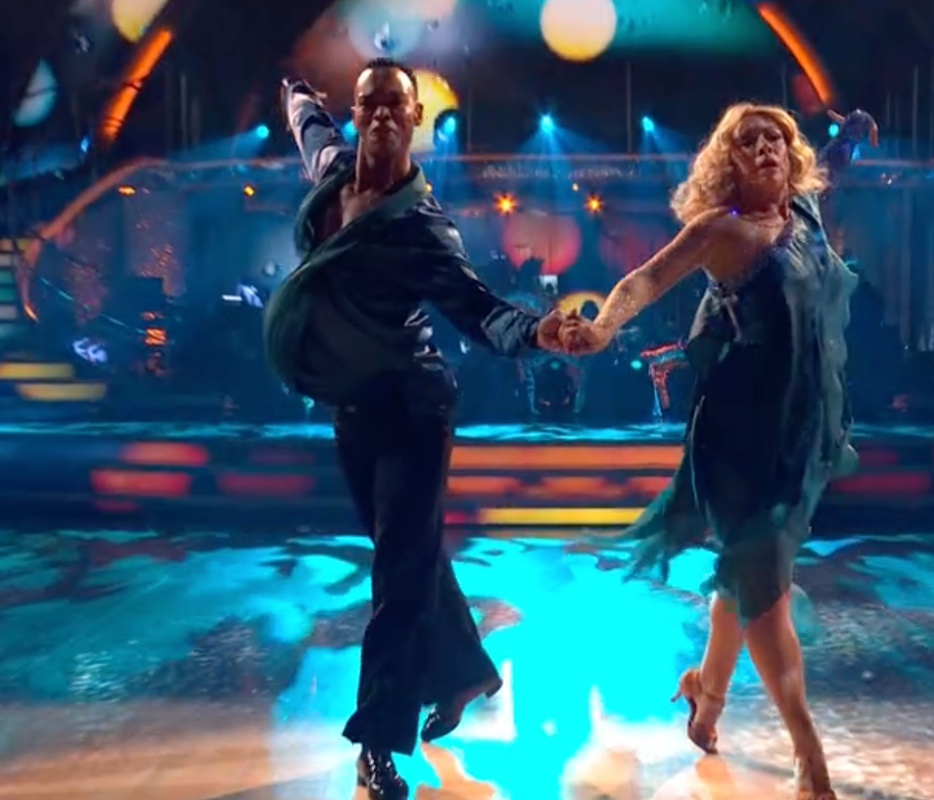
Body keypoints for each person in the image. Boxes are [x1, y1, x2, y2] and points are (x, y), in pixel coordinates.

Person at [264, 58, 570, 800]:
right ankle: (464, 673)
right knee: (409, 554)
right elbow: (309, 126)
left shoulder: (423, 227)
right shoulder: (333, 174)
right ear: (357, 113)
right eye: (368, 104)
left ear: (415, 119)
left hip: (414, 411)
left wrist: (541, 332)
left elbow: (481, 312)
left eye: (394, 107)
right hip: (354, 409)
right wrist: (295, 91)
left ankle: (376, 742)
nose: (380, 116)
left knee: (397, 578)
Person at [561, 103, 873, 800]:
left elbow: (833, 170)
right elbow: (645, 280)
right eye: (748, 141)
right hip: (738, 436)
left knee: (745, 573)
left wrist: (850, 136)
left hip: (799, 429)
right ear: (728, 163)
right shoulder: (722, 230)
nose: (765, 149)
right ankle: (810, 759)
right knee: (766, 588)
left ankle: (705, 691)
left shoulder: (804, 213)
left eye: (776, 138)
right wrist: (603, 327)